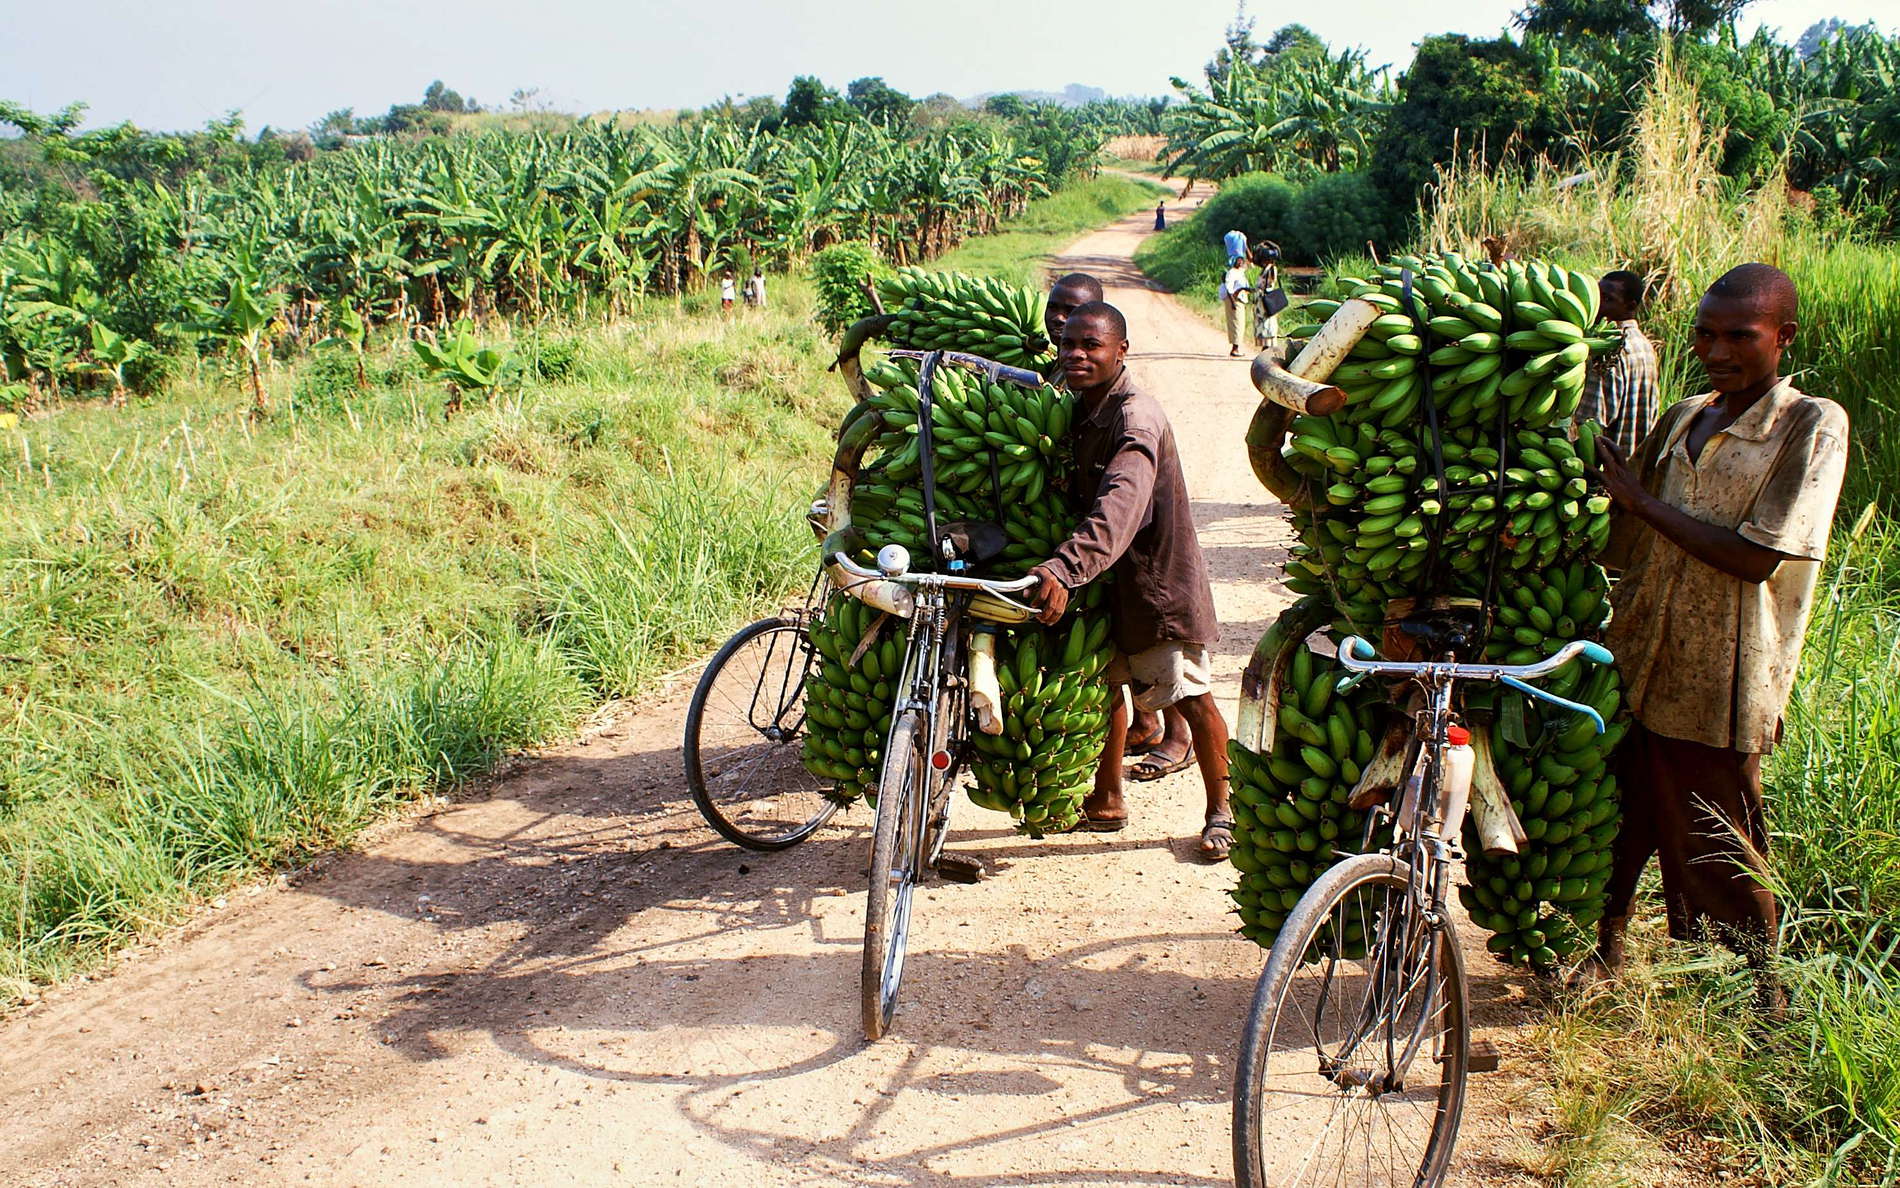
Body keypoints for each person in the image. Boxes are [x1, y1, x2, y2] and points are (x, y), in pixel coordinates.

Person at [1585, 263, 1848, 1008]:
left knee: (1718, 838)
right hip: (1637, 652)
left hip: (1724, 670)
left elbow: (1757, 556)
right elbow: (1624, 534)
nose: (1718, 350)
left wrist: (1634, 496)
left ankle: (1760, 1002)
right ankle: (1604, 948)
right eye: (1705, 333)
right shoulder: (1681, 417)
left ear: (1783, 338)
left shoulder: (1809, 424)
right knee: (1619, 815)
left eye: (1741, 335)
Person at [1028, 301, 1235, 860]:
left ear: (1121, 350)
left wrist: (1064, 567)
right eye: (1068, 344)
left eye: (1091, 345)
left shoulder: (1135, 417)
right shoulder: (1079, 408)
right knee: (1107, 686)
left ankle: (1222, 808)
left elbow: (1121, 503)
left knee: (1188, 695)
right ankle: (1108, 796)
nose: (1076, 355)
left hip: (1152, 585)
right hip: (1103, 583)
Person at [1574, 270, 1658, 458]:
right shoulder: (1644, 345)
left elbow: (1589, 424)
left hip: (1608, 468)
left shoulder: (1609, 348)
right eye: (1598, 296)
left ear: (1630, 306)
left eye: (1608, 299)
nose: (1598, 305)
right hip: (1636, 463)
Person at [1251, 243, 1284, 358]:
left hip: (1265, 302)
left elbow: (1268, 285)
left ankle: (1267, 351)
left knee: (1267, 326)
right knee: (1264, 326)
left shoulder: (1270, 269)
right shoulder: (1266, 269)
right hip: (1261, 303)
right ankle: (1266, 350)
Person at [1220, 257, 1251, 358]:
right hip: (1234, 300)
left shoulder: (1240, 273)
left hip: (1240, 300)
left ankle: (1236, 347)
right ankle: (1235, 348)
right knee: (1236, 324)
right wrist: (1233, 302)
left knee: (1240, 324)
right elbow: (1229, 288)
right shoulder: (1232, 272)